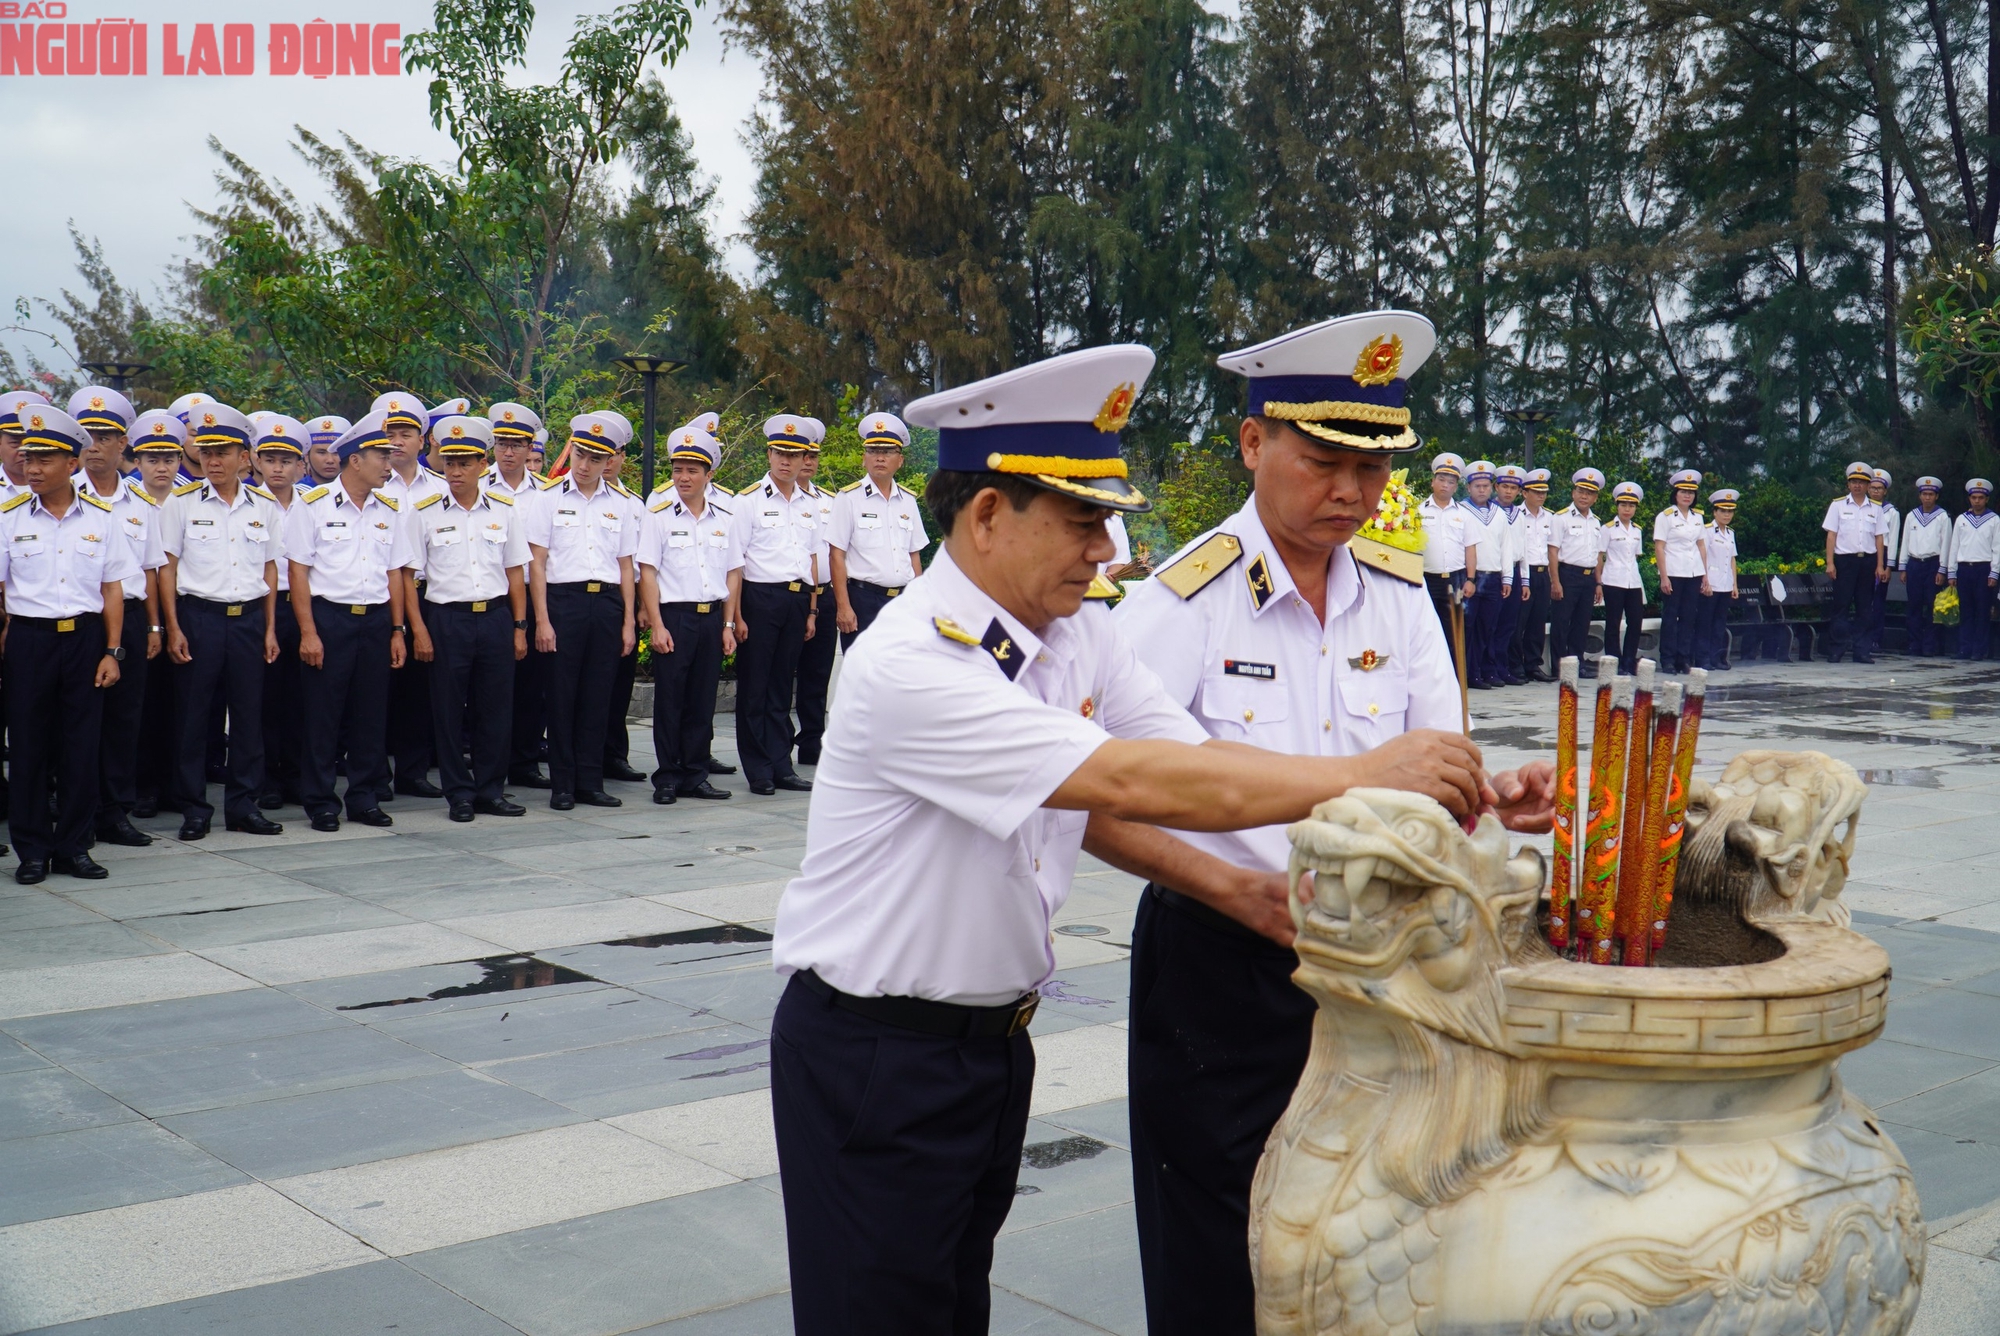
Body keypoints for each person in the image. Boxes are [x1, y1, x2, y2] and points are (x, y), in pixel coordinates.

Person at [768, 342, 1500, 1336]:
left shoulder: (1071, 634)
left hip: (987, 1048)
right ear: (987, 514)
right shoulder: (912, 666)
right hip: (875, 1054)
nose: (1106, 550)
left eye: (1107, 521)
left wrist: (1242, 882)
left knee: (944, 1305)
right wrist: (1362, 773)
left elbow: (1186, 754)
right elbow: (1127, 778)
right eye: (1081, 522)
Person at [1110, 313, 1553, 1336]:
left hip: (1384, 963)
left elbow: (1430, 766)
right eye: (1324, 462)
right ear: (1253, 442)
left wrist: (1487, 795)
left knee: (1378, 1231)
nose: (1352, 492)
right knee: (1219, 1249)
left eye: (1373, 466)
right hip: (1225, 958)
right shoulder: (1183, 604)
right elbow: (1124, 786)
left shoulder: (1398, 599)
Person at [0, 405, 136, 882]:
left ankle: (75, 847)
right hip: (29, 641)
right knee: (30, 748)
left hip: (85, 639)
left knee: (82, 746)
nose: (30, 468)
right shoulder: (10, 517)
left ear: (71, 464)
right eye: (27, 458)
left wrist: (113, 650)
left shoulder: (101, 518)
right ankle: (33, 850)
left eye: (44, 460)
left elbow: (113, 588)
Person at [156, 405, 285, 842]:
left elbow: (270, 571)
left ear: (244, 456)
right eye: (206, 451)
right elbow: (166, 570)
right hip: (200, 617)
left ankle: (244, 806)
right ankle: (194, 808)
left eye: (223, 451)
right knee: (193, 717)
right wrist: (172, 627)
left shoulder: (263, 505)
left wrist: (268, 629)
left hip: (248, 619)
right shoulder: (181, 503)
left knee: (249, 716)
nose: (213, 460)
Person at [401, 416, 530, 822]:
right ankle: (458, 792)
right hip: (445, 619)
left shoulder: (504, 511)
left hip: (494, 617)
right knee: (448, 709)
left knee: (495, 709)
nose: (455, 472)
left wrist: (520, 626)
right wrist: (417, 629)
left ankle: (491, 789)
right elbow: (408, 576)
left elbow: (515, 572)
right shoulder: (424, 512)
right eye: (449, 462)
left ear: (482, 464)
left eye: (464, 463)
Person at [286, 414, 411, 832]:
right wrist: (308, 632)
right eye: (381, 455)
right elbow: (298, 572)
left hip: (374, 620)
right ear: (355, 460)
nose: (388, 464)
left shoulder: (389, 509)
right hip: (330, 618)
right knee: (323, 714)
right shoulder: (313, 505)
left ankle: (364, 797)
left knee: (370, 714)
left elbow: (395, 574)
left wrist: (397, 630)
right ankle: (321, 800)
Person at [524, 413, 638, 810]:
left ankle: (590, 781)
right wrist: (542, 619)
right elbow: (537, 562)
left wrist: (627, 622)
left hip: (606, 603)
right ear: (571, 453)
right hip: (563, 602)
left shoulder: (621, 504)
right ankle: (563, 785)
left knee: (597, 695)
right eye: (580, 456)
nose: (586, 465)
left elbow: (626, 566)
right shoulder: (548, 499)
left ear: (609, 460)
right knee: (561, 695)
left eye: (596, 458)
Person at [67, 387, 163, 848]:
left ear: (123, 443)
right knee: (80, 719)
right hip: (84, 620)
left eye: (106, 436)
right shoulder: (63, 499)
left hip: (131, 614)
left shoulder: (141, 503)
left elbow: (152, 570)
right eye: (87, 435)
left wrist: (157, 625)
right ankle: (75, 810)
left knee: (126, 717)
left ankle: (115, 811)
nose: (95, 444)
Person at [636, 424, 742, 804]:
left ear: (708, 475)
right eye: (678, 469)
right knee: (670, 700)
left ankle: (695, 774)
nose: (683, 477)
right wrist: (658, 625)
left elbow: (733, 573)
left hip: (711, 617)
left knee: (701, 701)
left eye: (692, 470)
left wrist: (728, 624)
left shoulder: (724, 518)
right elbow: (647, 571)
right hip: (674, 618)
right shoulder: (659, 515)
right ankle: (667, 776)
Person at [728, 416, 821, 795]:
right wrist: (734, 617)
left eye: (793, 455)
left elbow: (813, 558)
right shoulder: (747, 501)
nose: (786, 461)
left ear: (805, 459)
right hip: (759, 598)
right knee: (755, 686)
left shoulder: (809, 504)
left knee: (783, 687)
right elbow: (735, 561)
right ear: (768, 454)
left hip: (797, 598)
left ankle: (782, 765)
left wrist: (813, 608)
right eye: (779, 453)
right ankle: (759, 769)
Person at [373, 391, 446, 800]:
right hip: (377, 595)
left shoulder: (439, 487)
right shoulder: (366, 483)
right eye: (390, 433)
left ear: (424, 440)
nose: (397, 441)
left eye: (406, 433)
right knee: (376, 687)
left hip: (425, 593)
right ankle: (376, 771)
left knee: (420, 689)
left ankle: (414, 771)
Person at [576, 410, 649, 788]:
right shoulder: (560, 494)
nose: (602, 462)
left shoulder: (632, 503)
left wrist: (637, 609)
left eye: (610, 454)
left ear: (619, 457)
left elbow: (636, 563)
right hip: (577, 600)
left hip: (619, 601)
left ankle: (613, 754)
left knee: (616, 685)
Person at [486, 402, 555, 790]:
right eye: (502, 443)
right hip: (493, 594)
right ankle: (489, 762)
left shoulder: (546, 494)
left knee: (533, 684)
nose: (508, 452)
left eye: (517, 444)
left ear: (531, 447)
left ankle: (526, 761)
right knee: (492, 685)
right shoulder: (476, 487)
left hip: (533, 593)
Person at [128, 412, 189, 818]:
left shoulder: (193, 498)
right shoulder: (120, 500)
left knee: (181, 704)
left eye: (169, 457)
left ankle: (175, 786)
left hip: (186, 611)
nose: (161, 467)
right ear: (137, 461)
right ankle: (143, 786)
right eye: (152, 459)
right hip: (136, 612)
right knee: (142, 704)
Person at [250, 418, 311, 811]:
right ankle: (266, 779)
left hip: (304, 607)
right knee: (264, 697)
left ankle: (296, 775)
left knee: (303, 697)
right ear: (256, 462)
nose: (278, 468)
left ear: (301, 466)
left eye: (286, 461)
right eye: (270, 459)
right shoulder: (247, 503)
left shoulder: (314, 504)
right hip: (262, 608)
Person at [829, 411, 928, 648]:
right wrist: (843, 607)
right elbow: (836, 555)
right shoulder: (848, 498)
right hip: (863, 600)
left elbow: (914, 556)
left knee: (901, 672)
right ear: (864, 458)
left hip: (902, 601)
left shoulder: (908, 501)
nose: (880, 458)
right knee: (863, 675)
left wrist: (919, 603)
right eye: (873, 451)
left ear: (900, 460)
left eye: (887, 452)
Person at [792, 419, 838, 766]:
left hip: (826, 594)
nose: (807, 462)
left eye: (813, 456)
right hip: (789, 596)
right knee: (779, 674)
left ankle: (811, 743)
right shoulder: (766, 499)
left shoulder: (831, 501)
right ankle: (774, 747)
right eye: (801, 455)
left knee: (817, 673)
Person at [1821, 461, 1886, 664]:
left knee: (1865, 607)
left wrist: (1880, 565)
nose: (1857, 485)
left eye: (1862, 482)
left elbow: (1879, 538)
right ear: (1848, 484)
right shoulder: (1838, 505)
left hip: (1867, 561)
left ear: (1868, 486)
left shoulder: (1875, 509)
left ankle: (1861, 650)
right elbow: (1831, 535)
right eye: (1854, 482)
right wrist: (1830, 562)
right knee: (1841, 606)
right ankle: (1837, 649)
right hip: (1844, 561)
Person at [1418, 453, 1473, 679]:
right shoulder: (1418, 511)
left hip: (1456, 579)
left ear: (1456, 486)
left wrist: (1471, 579)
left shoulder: (1464, 514)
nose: (1445, 485)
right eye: (1441, 480)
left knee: (1455, 629)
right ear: (1433, 481)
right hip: (1426, 579)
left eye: (1451, 482)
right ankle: (1430, 677)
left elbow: (1470, 548)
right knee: (1427, 629)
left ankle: (1455, 677)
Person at [1548, 468, 1604, 673]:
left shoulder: (1596, 521)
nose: (1584, 496)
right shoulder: (1561, 518)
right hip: (1567, 575)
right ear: (1573, 493)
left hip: (1588, 578)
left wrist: (1598, 583)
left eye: (1589, 493)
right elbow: (1552, 552)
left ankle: (1576, 664)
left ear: (1595, 498)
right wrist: (1555, 582)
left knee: (1581, 624)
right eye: (1581, 491)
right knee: (1561, 623)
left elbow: (1598, 555)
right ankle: (1558, 667)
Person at [1459, 459, 1509, 688]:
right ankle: (1467, 673)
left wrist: (1507, 577)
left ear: (1492, 488)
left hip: (1493, 576)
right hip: (1471, 576)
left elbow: (1505, 546)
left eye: (1486, 486)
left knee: (1487, 627)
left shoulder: (1499, 513)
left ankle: (1481, 671)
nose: (1482, 490)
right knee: (1467, 627)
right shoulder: (1460, 510)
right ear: (1468, 487)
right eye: (1477, 486)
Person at [1652, 468, 1706, 673]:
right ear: (1675, 494)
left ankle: (1683, 658)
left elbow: (1701, 546)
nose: (1687, 495)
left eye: (1691, 492)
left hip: (1693, 573)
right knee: (1670, 617)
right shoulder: (1665, 517)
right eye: (1683, 491)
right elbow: (1659, 547)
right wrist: (1663, 577)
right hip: (1673, 573)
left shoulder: (1698, 517)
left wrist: (1705, 576)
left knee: (1688, 617)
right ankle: (1667, 659)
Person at [1512, 467, 1557, 680]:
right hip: (1523, 572)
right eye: (1536, 492)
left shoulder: (1551, 517)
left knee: (1537, 622)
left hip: (1542, 573)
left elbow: (1553, 548)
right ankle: (1515, 665)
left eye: (1543, 492)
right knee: (1519, 621)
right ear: (1524, 493)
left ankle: (1533, 665)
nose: (1541, 496)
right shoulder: (1516, 515)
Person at [1597, 481, 1647, 674]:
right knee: (1613, 622)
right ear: (1617, 506)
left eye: (1631, 505)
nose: (1627, 509)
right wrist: (1598, 582)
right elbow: (1599, 556)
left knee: (1635, 622)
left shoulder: (1637, 530)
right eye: (1624, 505)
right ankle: (1614, 661)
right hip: (1612, 580)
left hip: (1633, 581)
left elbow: (1634, 556)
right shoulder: (1607, 528)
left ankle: (1629, 660)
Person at [1901, 477, 1951, 657]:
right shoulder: (1912, 515)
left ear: (1936, 496)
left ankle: (1929, 646)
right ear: (1920, 495)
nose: (1927, 497)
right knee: (1913, 605)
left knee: (1932, 606)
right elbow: (1905, 541)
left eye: (1931, 494)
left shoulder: (1942, 516)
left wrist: (1942, 569)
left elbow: (1946, 544)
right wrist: (1903, 567)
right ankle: (1914, 644)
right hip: (1914, 563)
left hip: (1933, 563)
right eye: (1924, 494)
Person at [1948, 479, 1997, 661]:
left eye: (1981, 498)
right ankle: (1964, 648)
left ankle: (1979, 650)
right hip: (1964, 568)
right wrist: (1952, 571)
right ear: (1969, 499)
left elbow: (1997, 547)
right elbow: (1955, 546)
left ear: (1986, 499)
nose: (1977, 501)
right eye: (1974, 497)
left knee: (1982, 611)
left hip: (1983, 568)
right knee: (1966, 610)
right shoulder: (1962, 519)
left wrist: (1994, 572)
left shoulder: (1994, 520)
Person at [1697, 488, 1739, 670]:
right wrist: (1704, 580)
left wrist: (1734, 584)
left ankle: (1716, 658)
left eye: (1730, 511)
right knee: (1705, 622)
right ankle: (1702, 658)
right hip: (1711, 584)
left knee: (1720, 624)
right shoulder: (1707, 531)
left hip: (1725, 584)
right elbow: (1702, 556)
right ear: (1715, 512)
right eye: (1723, 510)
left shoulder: (1730, 533)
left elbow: (1732, 560)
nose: (1727, 514)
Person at [1864, 468, 1899, 657]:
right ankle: (1862, 638)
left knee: (1877, 601)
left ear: (1885, 491)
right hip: (1866, 555)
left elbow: (1892, 540)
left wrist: (1888, 566)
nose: (1875, 491)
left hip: (1882, 555)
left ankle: (1875, 639)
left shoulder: (1891, 512)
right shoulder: (1863, 508)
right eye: (1873, 487)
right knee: (1864, 600)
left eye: (1879, 488)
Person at [304, 415, 349, 488]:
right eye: (321, 453)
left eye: (336, 453)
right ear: (306, 456)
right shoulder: (295, 495)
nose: (330, 460)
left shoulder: (357, 493)